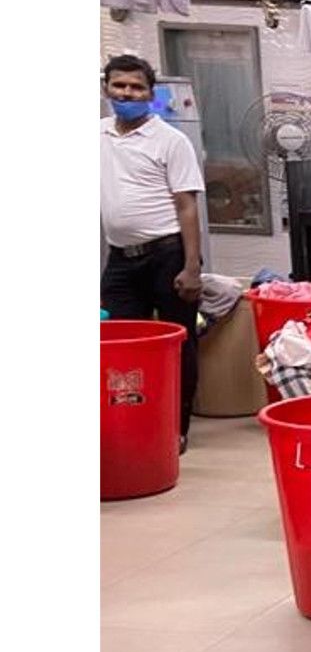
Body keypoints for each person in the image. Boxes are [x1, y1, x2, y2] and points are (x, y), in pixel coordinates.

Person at [100, 53, 205, 452]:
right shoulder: (97, 134)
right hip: (120, 258)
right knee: (123, 346)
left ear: (150, 93)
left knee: (178, 343)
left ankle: (176, 428)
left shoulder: (170, 141)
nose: (128, 93)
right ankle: (133, 424)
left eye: (137, 87)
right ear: (106, 88)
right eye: (120, 86)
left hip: (168, 254)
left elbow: (187, 205)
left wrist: (192, 265)